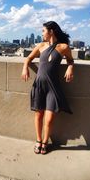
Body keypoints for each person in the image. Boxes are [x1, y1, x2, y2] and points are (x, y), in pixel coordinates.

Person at [21, 21, 74, 155]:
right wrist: (25, 68)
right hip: (39, 85)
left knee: (49, 118)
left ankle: (45, 142)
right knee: (39, 115)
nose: (42, 33)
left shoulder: (64, 47)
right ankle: (39, 140)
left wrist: (70, 67)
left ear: (51, 31)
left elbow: (70, 60)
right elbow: (29, 58)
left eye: (43, 31)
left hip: (53, 86)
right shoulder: (41, 46)